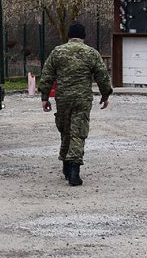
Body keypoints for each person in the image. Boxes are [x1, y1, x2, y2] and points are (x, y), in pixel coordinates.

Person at [39, 23, 112, 186]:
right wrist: (105, 95)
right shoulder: (91, 53)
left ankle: (65, 165)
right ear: (83, 36)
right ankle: (74, 172)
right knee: (77, 132)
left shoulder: (57, 52)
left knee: (65, 130)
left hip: (63, 99)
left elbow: (47, 75)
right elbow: (102, 76)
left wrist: (45, 96)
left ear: (69, 36)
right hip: (82, 99)